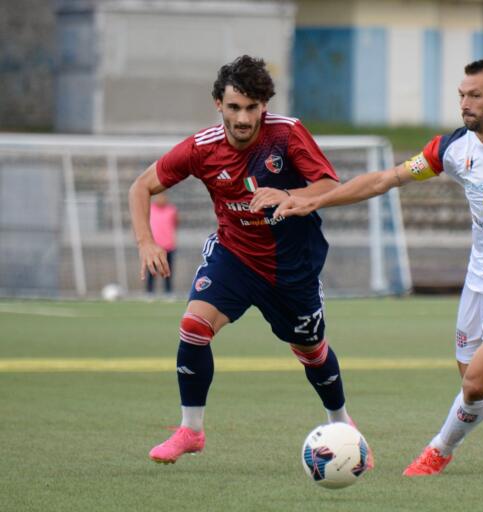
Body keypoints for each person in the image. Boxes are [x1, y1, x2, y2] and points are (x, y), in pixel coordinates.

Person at [252, 58, 483, 476]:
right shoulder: (450, 149)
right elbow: (385, 180)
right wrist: (314, 200)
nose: (464, 103)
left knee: (476, 383)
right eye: (461, 95)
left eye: (475, 95)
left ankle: (438, 451)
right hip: (479, 279)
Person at [128, 55, 371, 467]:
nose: (243, 118)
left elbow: (330, 185)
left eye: (252, 107)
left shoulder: (287, 135)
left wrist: (290, 196)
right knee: (193, 326)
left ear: (264, 106)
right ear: (218, 105)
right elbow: (141, 186)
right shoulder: (200, 148)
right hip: (234, 256)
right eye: (235, 106)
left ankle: (341, 422)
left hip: (292, 267)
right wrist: (145, 242)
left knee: (311, 351)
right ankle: (191, 429)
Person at [146, 192, 178, 295]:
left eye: (163, 197)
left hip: (168, 246)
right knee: (151, 270)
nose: (161, 199)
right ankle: (149, 292)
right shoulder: (149, 209)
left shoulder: (171, 210)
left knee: (168, 270)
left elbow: (176, 223)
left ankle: (168, 292)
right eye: (159, 197)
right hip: (154, 247)